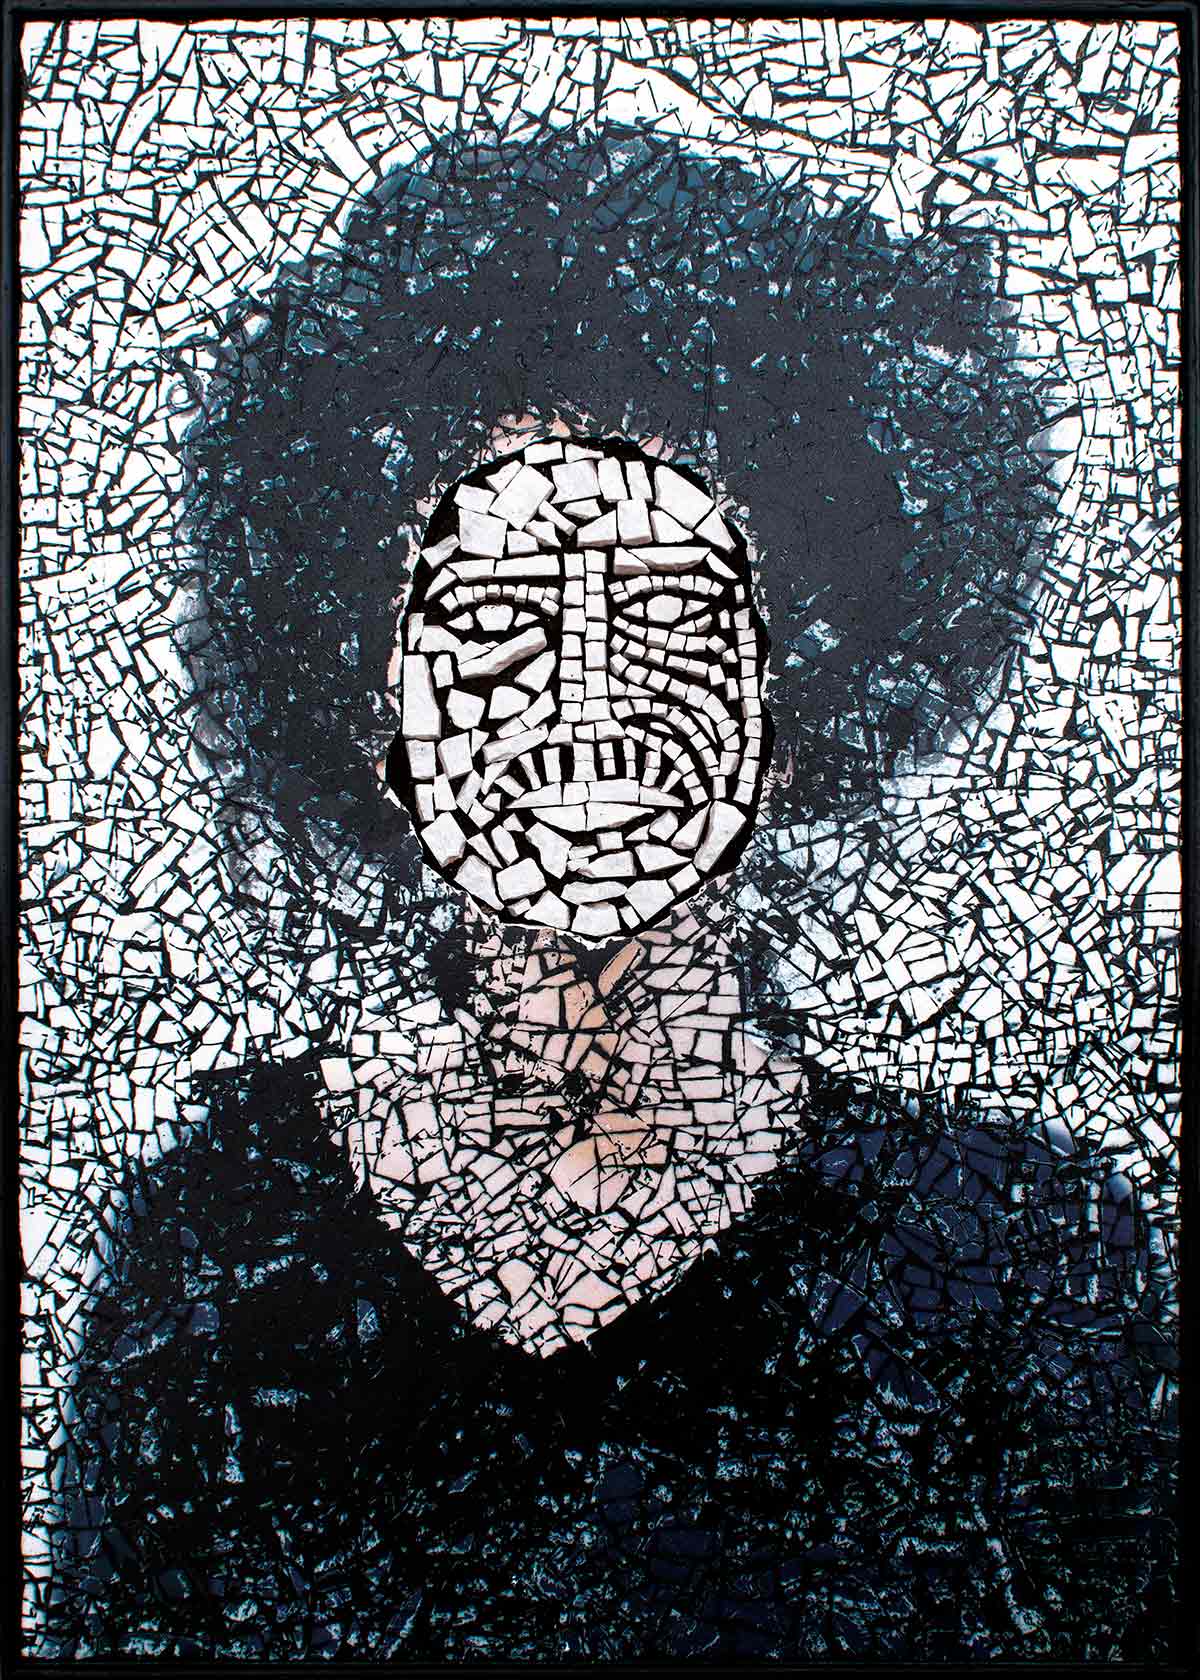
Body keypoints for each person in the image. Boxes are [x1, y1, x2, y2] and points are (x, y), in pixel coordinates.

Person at [50, 126, 1177, 1660]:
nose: (585, 699)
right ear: (374, 717)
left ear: (794, 694)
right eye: (499, 620)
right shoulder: (220, 1243)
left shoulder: (1021, 1255)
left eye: (660, 611)